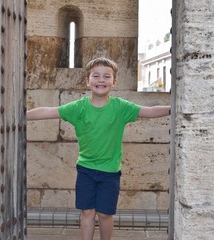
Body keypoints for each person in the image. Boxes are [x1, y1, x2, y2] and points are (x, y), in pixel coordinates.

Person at [27, 57, 170, 240]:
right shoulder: (78, 108)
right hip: (85, 170)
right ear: (88, 81)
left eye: (106, 76)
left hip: (110, 172)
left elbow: (149, 111)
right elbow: (48, 111)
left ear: (114, 82)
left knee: (105, 214)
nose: (101, 80)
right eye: (96, 76)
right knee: (87, 212)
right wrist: (21, 116)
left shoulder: (121, 107)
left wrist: (172, 108)